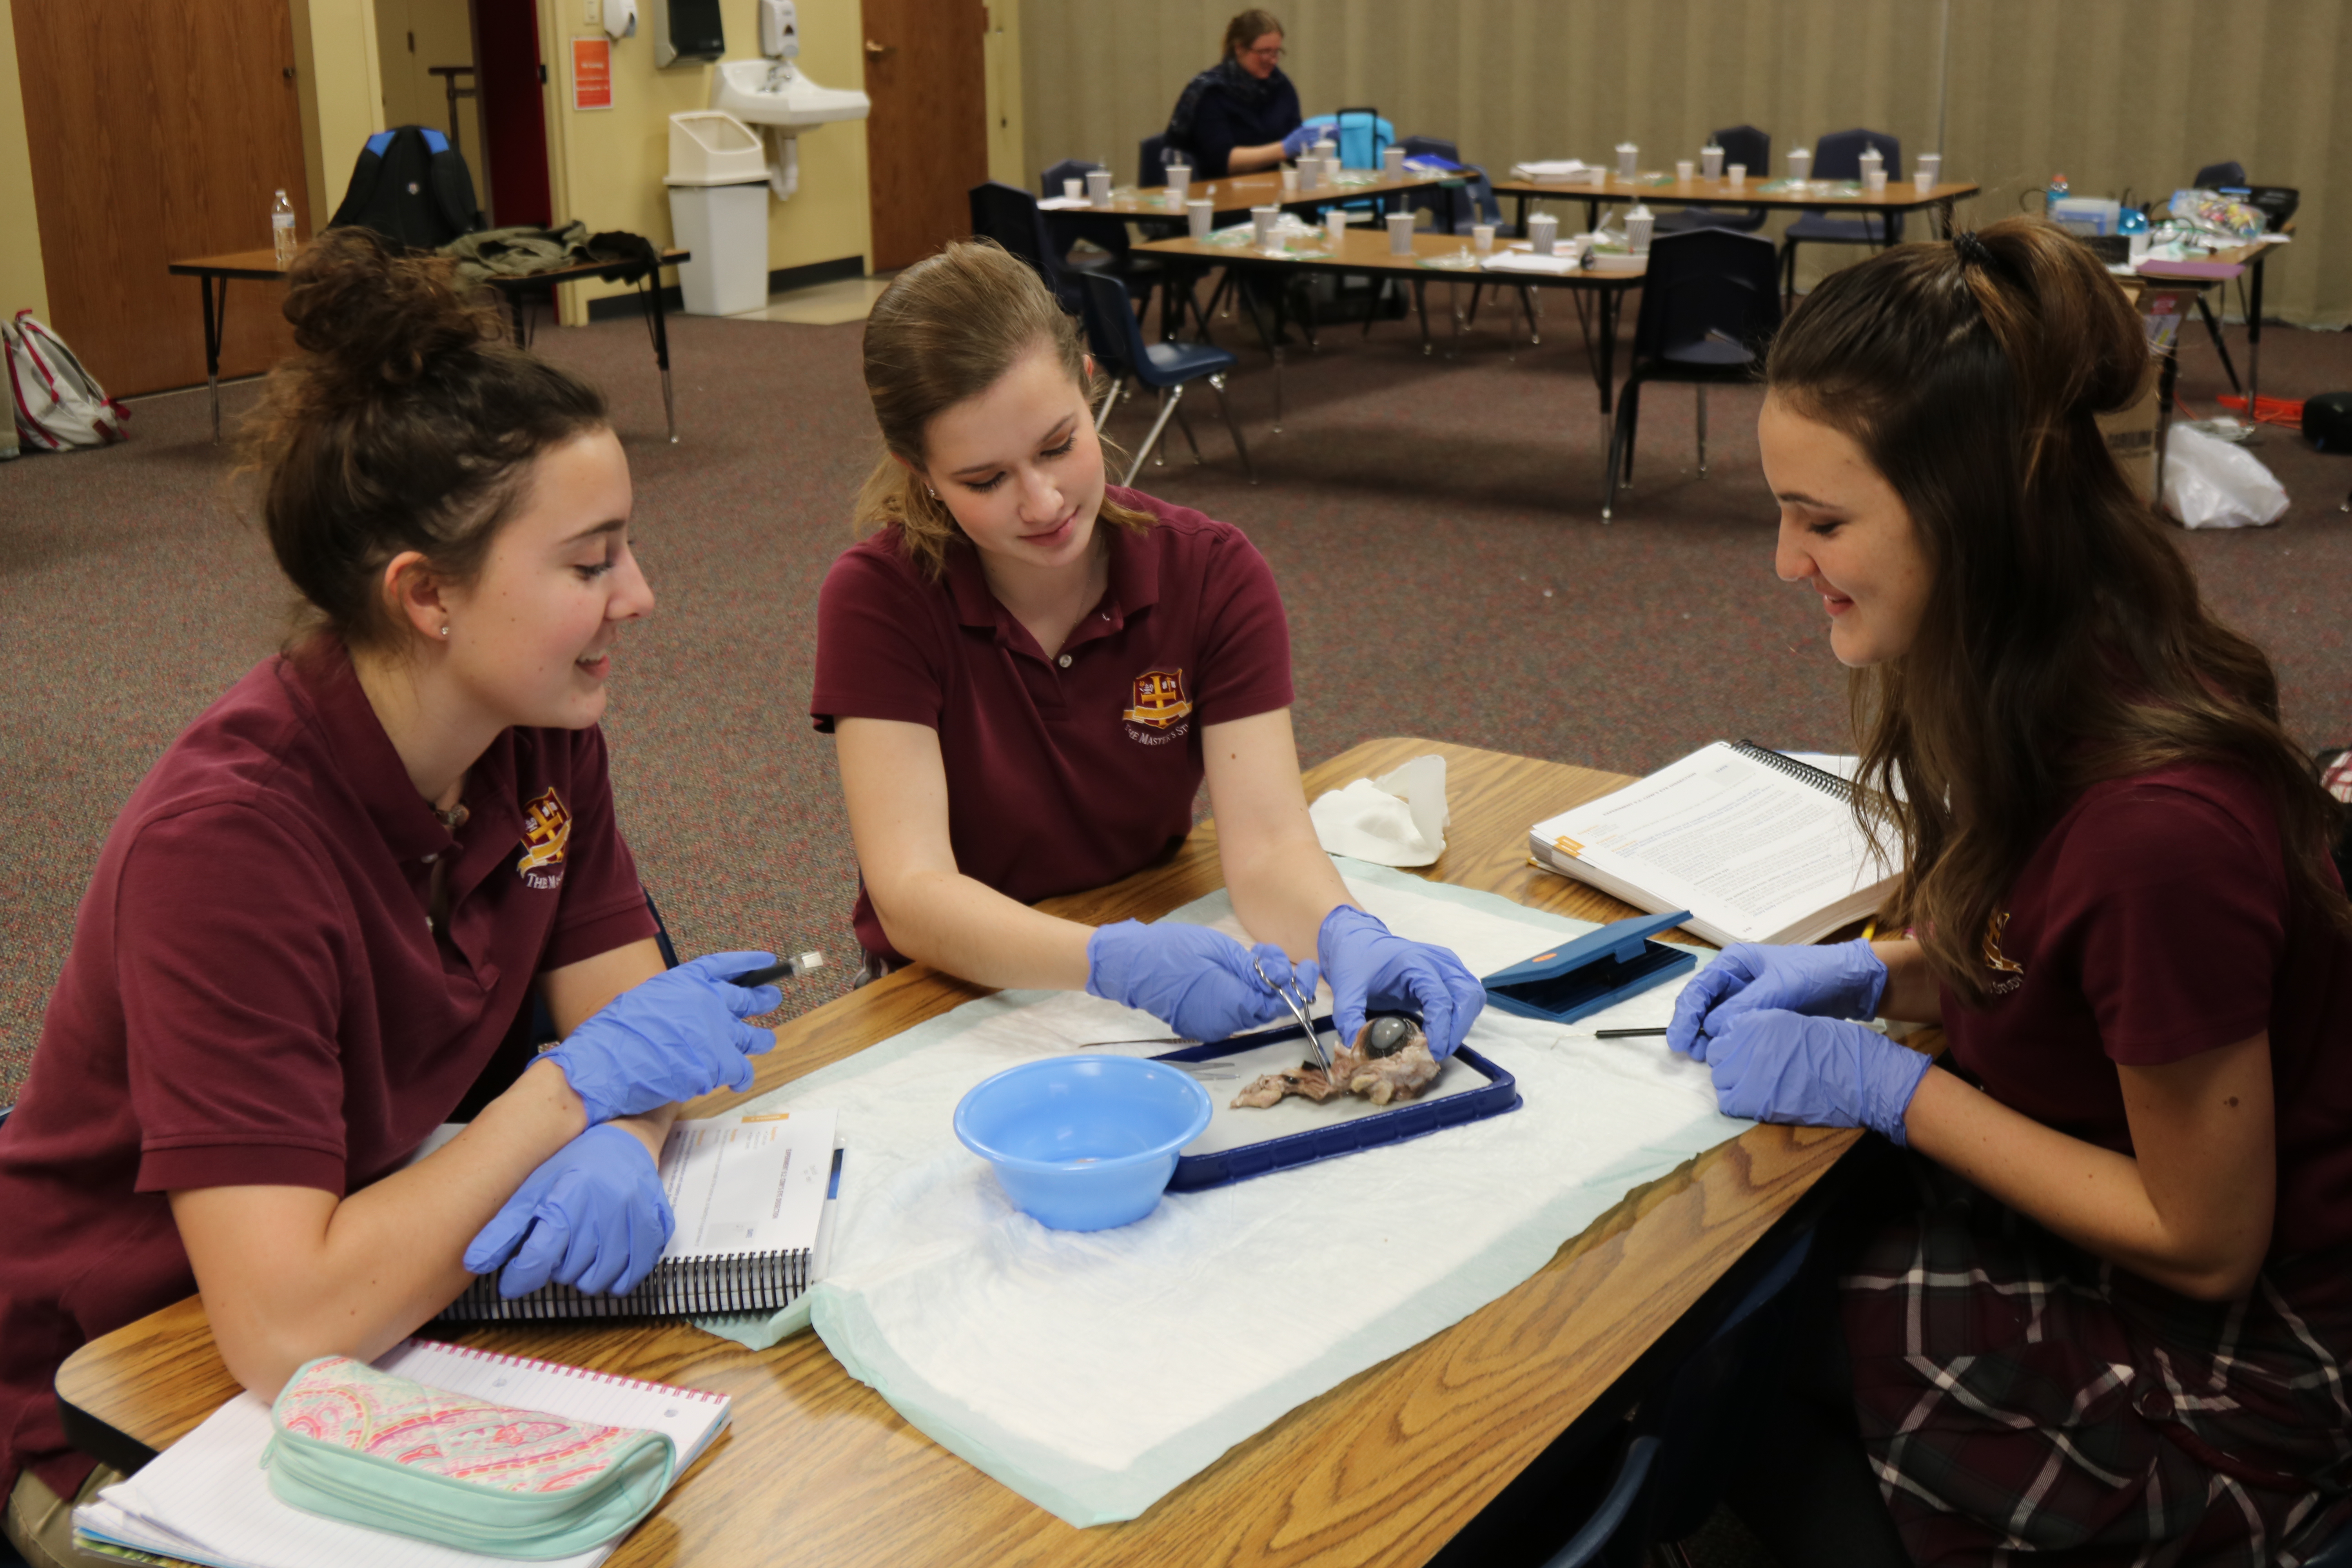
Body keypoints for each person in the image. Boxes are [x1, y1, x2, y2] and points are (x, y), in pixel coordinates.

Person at [0, 229, 780, 1568]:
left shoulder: (535, 737)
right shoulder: (228, 847)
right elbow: (283, 1329)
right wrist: (562, 1100)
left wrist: (621, 1134)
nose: (639, 599)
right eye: (590, 564)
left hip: (378, 1279)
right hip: (124, 1400)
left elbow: (647, 1041)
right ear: (425, 595)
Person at [1667, 218, 2352, 1565]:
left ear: (1977, 512)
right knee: (1753, 1291)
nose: (1787, 562)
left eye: (1824, 520)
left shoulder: (2160, 831)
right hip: (2155, 1238)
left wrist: (1893, 1086)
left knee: (1742, 1337)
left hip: (2248, 1352)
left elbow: (2204, 1239)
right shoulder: (2038, 678)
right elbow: (2045, 954)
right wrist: (1890, 973)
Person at [811, 239, 1484, 1060]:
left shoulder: (1211, 572)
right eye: (984, 481)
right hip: (954, 991)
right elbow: (914, 894)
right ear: (919, 472)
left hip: (1156, 929)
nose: (1043, 501)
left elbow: (1269, 844)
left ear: (1090, 379)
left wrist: (1346, 933)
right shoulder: (882, 597)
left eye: (1059, 444)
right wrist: (1105, 959)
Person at [1163, 9, 1311, 180]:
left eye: (1276, 52)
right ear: (1240, 48)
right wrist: (1284, 150)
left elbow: (1295, 146)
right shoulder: (1211, 92)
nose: (1272, 60)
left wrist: (1314, 146)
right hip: (1218, 193)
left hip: (1269, 191)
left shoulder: (1280, 86)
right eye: (1264, 52)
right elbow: (1223, 161)